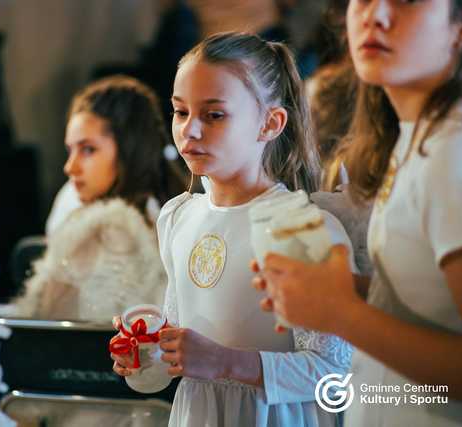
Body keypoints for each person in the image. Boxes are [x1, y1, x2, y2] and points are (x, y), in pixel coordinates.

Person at [112, 32, 357, 426]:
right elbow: (178, 359)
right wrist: (147, 355)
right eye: (180, 112)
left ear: (270, 123)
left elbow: (335, 372)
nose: (189, 131)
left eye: (213, 115)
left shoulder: (300, 228)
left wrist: (227, 362)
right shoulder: (177, 217)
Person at [256, 1, 462, 426]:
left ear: (459, 28)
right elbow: (433, 304)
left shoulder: (453, 152)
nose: (377, 14)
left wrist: (340, 312)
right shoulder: (417, 138)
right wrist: (346, 289)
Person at [14, 75, 187, 322]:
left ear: (129, 149)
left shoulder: (130, 225)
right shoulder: (73, 198)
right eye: (70, 150)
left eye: (88, 149)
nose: (70, 166)